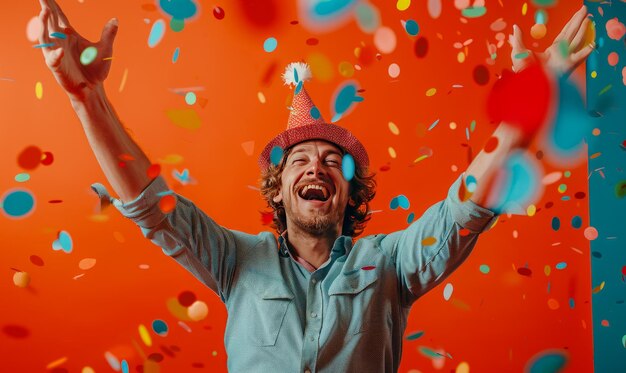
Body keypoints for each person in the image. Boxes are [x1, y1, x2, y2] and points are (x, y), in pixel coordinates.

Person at [36, 0, 594, 371]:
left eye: (334, 162)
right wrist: (86, 97)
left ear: (350, 192)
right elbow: (151, 206)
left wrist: (526, 111)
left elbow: (464, 209)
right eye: (301, 159)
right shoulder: (235, 260)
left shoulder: (391, 263)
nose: (318, 168)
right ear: (278, 190)